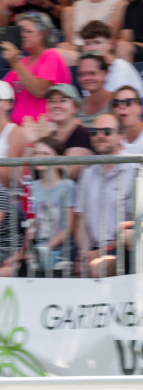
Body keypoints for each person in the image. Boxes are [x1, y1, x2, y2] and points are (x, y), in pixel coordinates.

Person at [0, 137, 76, 278]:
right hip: (37, 249)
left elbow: (68, 227)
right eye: (36, 153)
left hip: (61, 250)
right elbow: (30, 226)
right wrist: (24, 251)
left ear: (58, 158)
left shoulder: (67, 186)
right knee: (3, 272)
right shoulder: (32, 187)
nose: (40, 157)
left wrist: (46, 248)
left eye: (45, 154)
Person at [75, 113, 138, 278]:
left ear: (120, 136)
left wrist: (102, 251)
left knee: (97, 268)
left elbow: (135, 226)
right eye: (95, 132)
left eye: (107, 132)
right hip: (96, 249)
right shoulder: (87, 174)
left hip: (125, 248)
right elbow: (81, 221)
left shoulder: (134, 171)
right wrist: (85, 252)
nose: (100, 136)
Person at [1, 11, 71, 125]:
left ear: (43, 34)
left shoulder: (51, 55)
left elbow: (40, 91)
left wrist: (15, 62)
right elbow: (1, 92)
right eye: (20, 31)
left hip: (43, 128)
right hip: (18, 130)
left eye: (28, 31)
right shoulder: (23, 62)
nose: (23, 35)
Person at [115, 85, 143, 154]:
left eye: (128, 102)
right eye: (116, 103)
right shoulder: (111, 137)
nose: (121, 106)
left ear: (139, 108)